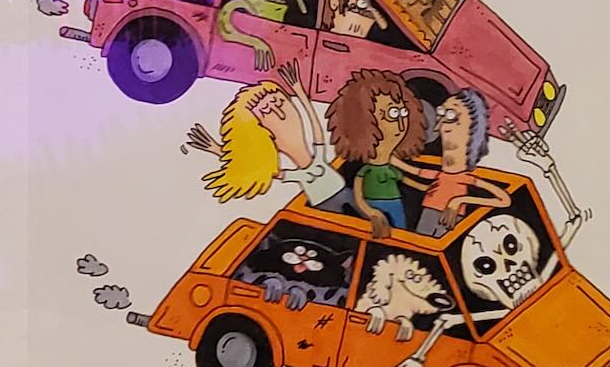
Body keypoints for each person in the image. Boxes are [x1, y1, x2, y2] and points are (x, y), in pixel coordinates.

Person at [187, 62, 355, 214]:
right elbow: (260, 169)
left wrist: (299, 91)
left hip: (344, 191)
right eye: (266, 111)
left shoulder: (318, 156)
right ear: (263, 134)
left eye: (279, 101)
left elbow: (315, 124)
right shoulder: (296, 174)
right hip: (324, 205)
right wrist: (219, 150)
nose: (279, 112)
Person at [326, 69, 427, 237]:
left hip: (396, 206)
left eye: (403, 113)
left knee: (399, 234)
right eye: (392, 114)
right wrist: (371, 212)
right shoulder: (365, 171)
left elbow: (407, 181)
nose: (401, 124)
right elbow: (359, 199)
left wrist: (426, 188)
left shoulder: (391, 168)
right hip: (374, 211)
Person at [415, 88, 509, 236]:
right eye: (441, 113)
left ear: (471, 126)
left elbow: (504, 199)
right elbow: (419, 172)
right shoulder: (440, 173)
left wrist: (458, 201)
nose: (443, 124)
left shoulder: (465, 178)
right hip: (429, 210)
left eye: (452, 115)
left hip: (450, 216)